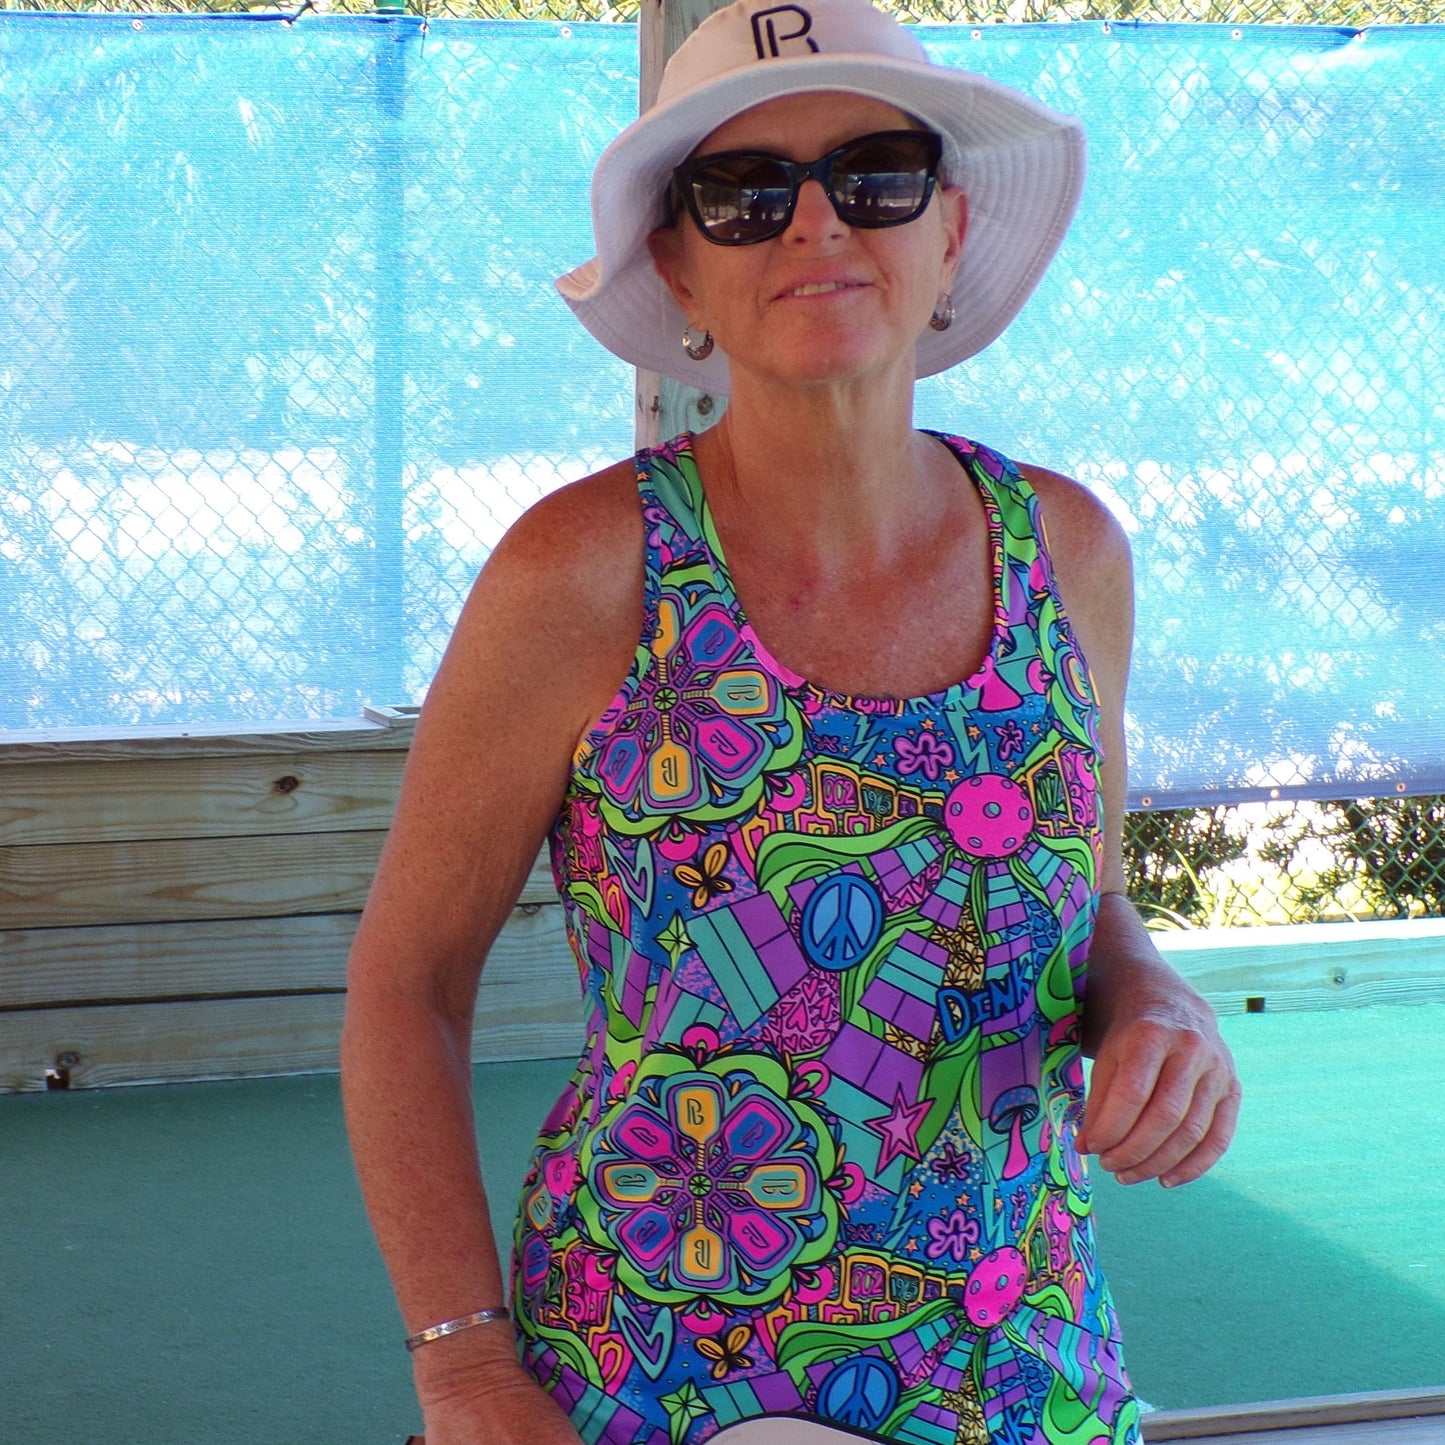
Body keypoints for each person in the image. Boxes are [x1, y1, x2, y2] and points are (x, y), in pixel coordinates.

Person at [340, 2, 1242, 1442]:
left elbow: (1095, 905)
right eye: (744, 194)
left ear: (946, 229)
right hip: (646, 1376)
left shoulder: (1067, 548)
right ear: (679, 263)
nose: (814, 224)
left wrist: (1156, 1001)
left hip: (1014, 1361)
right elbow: (407, 980)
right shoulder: (579, 571)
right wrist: (462, 1369)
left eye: (872, 172)